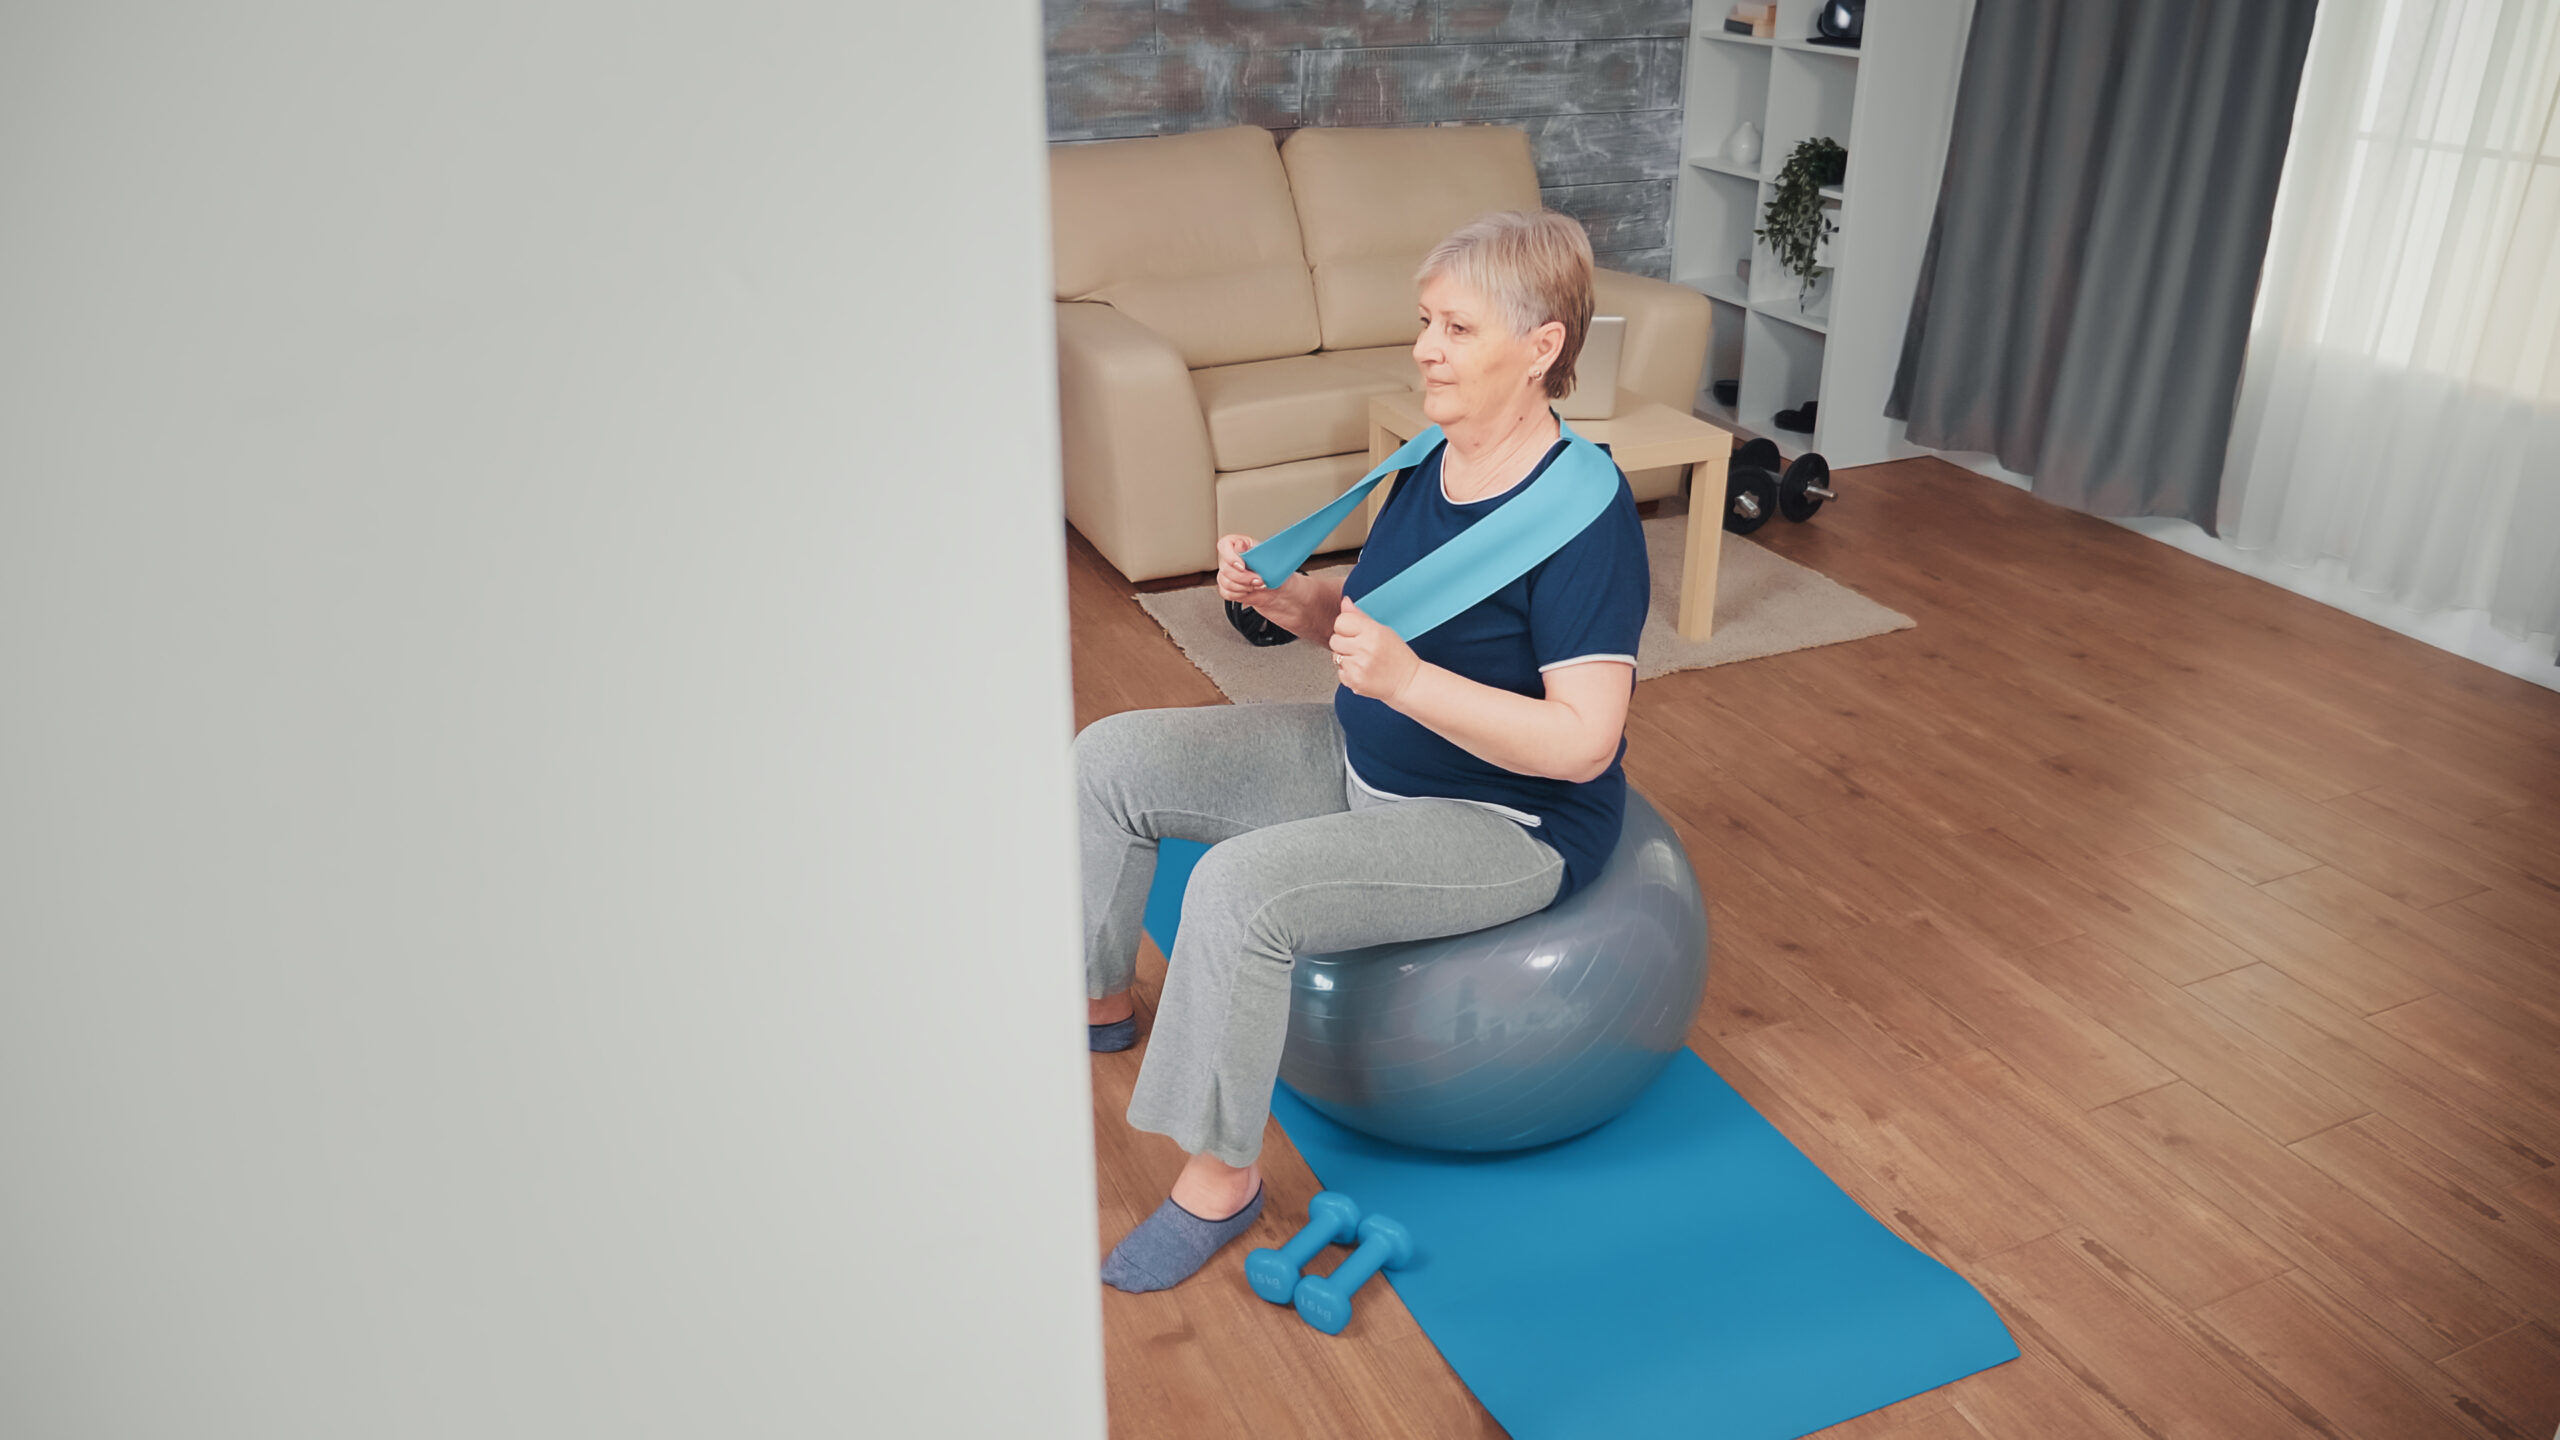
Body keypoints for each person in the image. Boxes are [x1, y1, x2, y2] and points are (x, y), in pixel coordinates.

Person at [1077, 210, 1650, 1292]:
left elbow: (1583, 744)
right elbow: (1386, 618)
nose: (1426, 347)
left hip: (1503, 823)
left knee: (1240, 892)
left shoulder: (1587, 517)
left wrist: (1407, 682)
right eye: (1425, 322)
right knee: (1110, 757)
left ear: (1541, 348)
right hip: (1364, 760)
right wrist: (1292, 602)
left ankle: (1221, 1180)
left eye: (1457, 328)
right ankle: (1097, 1002)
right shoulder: (1431, 456)